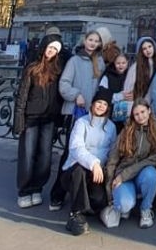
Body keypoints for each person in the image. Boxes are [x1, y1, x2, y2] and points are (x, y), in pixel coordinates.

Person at [50, 29, 105, 210]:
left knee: (88, 154)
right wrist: (76, 95)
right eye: (90, 39)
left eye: (96, 41)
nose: (92, 43)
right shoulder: (74, 60)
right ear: (85, 40)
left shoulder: (100, 61)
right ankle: (57, 194)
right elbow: (63, 84)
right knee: (70, 153)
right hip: (76, 113)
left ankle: (83, 194)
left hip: (93, 116)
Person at [13, 34, 64, 208]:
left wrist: (59, 119)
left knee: (45, 156)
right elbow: (22, 95)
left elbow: (59, 97)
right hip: (31, 118)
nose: (52, 52)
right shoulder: (32, 68)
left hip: (49, 119)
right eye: (50, 48)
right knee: (27, 155)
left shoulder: (57, 71)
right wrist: (18, 120)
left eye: (55, 50)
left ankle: (37, 187)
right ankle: (24, 189)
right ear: (44, 48)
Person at [60, 86, 117, 235]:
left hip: (98, 173)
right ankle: (76, 214)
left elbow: (112, 151)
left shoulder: (111, 127)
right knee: (79, 169)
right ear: (92, 103)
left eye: (105, 104)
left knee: (98, 201)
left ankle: (89, 207)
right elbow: (76, 147)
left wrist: (105, 169)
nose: (101, 106)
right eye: (98, 102)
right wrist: (93, 163)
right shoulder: (81, 123)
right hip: (75, 171)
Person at [104, 97, 156, 229]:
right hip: (124, 175)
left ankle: (145, 209)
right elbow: (113, 158)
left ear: (149, 111)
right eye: (136, 114)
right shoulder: (126, 131)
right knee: (123, 206)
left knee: (152, 175)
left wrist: (124, 175)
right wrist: (110, 194)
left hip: (140, 174)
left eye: (143, 112)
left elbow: (154, 158)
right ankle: (127, 199)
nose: (140, 116)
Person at [123, 36, 156, 112]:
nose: (148, 50)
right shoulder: (135, 67)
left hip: (153, 106)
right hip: (137, 106)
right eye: (144, 48)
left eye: (149, 46)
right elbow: (128, 89)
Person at [99, 51, 133, 131]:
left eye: (123, 63)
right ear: (114, 63)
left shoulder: (131, 75)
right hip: (110, 113)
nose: (121, 65)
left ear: (127, 63)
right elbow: (102, 94)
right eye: (118, 63)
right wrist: (119, 96)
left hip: (127, 113)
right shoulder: (107, 76)